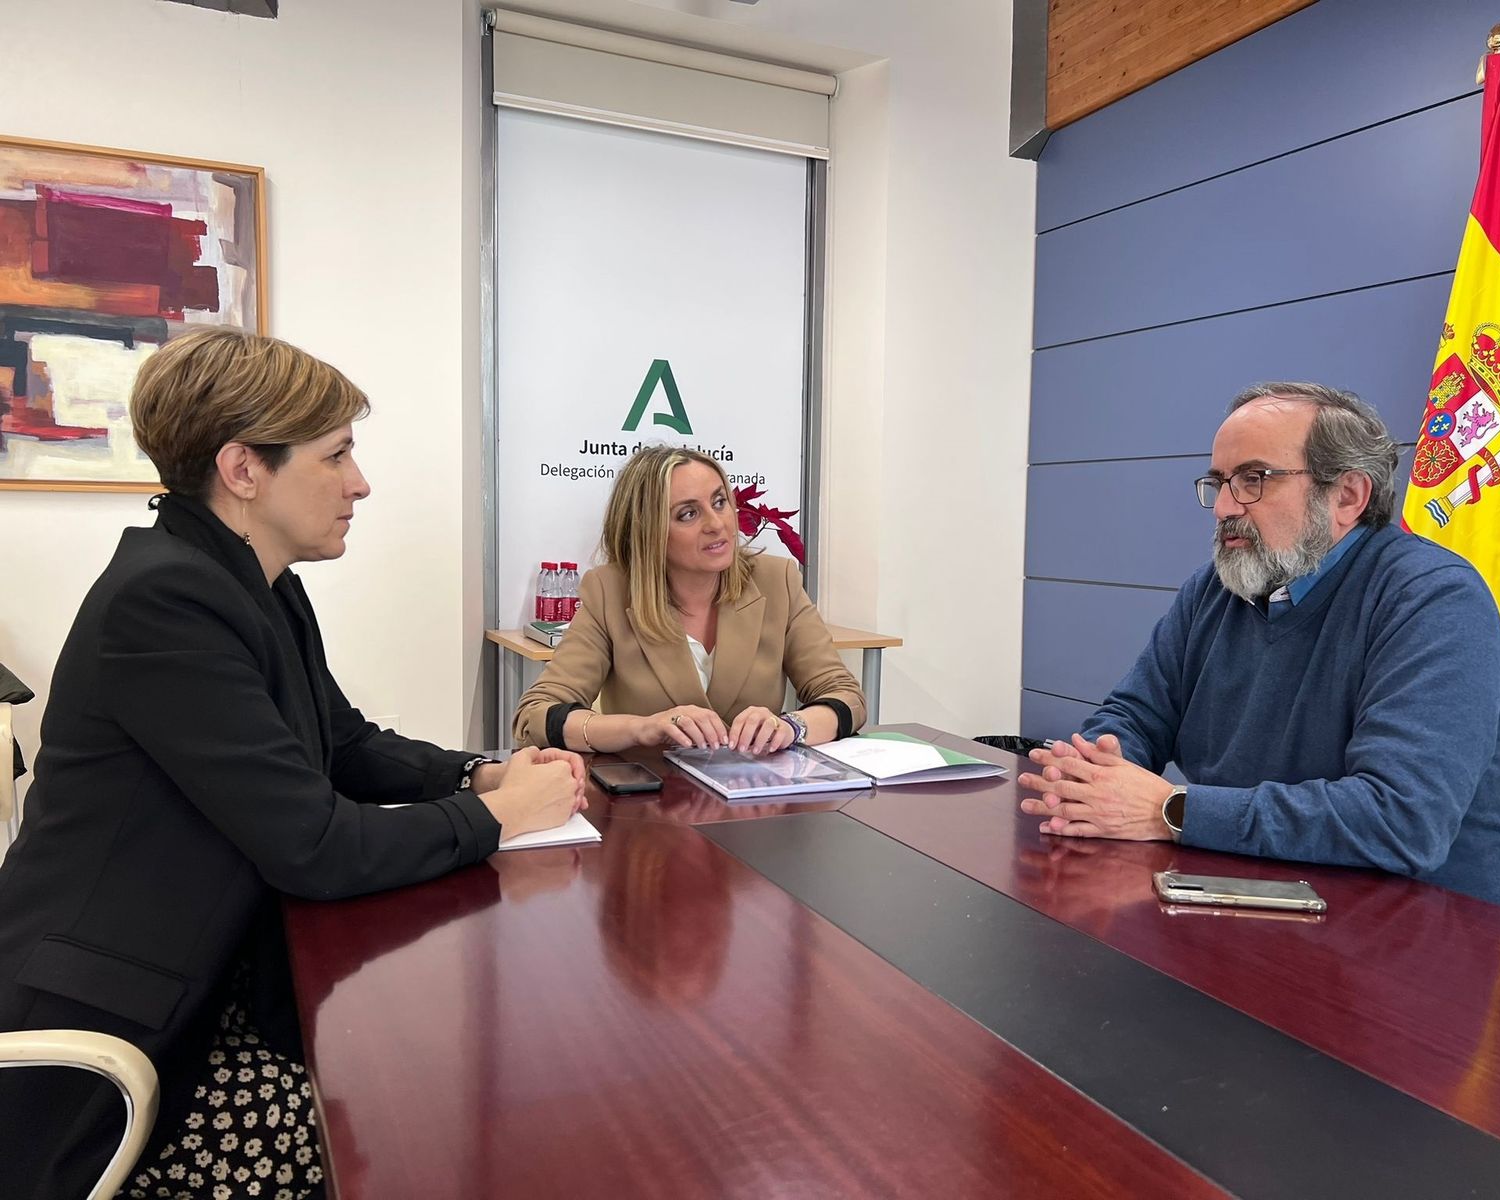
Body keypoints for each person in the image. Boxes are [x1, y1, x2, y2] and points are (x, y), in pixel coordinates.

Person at [0, 328, 587, 1200]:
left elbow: (342, 743)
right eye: (337, 454)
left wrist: (476, 776)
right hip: (119, 1029)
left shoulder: (252, 581)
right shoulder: (165, 601)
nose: (361, 482)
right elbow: (316, 848)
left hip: (217, 973)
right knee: (399, 1140)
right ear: (244, 469)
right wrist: (503, 816)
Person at [1019, 382, 1500, 909]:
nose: (1223, 506)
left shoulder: (1433, 598)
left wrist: (1173, 810)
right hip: (1261, 894)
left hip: (1444, 926)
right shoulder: (1215, 590)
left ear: (1347, 496)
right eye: (1218, 482)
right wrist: (1092, 776)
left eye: (1253, 479)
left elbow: (1401, 820)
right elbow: (1135, 716)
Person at [514, 445, 866, 755]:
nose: (717, 524)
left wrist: (792, 726)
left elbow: (845, 696)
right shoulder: (609, 591)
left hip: (757, 796)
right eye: (688, 514)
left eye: (719, 502)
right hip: (652, 797)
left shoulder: (777, 581)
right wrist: (642, 728)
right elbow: (535, 715)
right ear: (648, 531)